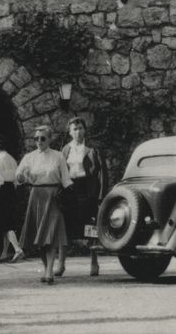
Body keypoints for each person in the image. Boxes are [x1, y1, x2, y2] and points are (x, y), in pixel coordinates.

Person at [15, 124, 71, 284]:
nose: (39, 141)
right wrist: (22, 176)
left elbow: (66, 179)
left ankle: (49, 271)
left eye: (42, 138)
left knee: (51, 235)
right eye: (36, 138)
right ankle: (47, 269)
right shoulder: (29, 157)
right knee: (40, 237)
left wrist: (72, 196)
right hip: (37, 196)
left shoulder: (58, 156)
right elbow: (18, 176)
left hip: (53, 196)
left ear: (50, 139)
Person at [58, 116, 108, 277]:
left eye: (80, 128)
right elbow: (60, 172)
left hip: (88, 190)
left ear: (85, 130)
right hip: (70, 191)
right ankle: (61, 264)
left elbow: (103, 174)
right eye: (75, 129)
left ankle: (94, 262)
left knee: (91, 228)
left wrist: (101, 196)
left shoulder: (93, 148)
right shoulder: (65, 150)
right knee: (65, 227)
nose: (78, 132)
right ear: (70, 132)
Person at [0, 136, 25, 263]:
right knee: (8, 222)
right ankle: (4, 253)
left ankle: (17, 249)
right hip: (11, 190)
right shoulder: (12, 160)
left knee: (6, 223)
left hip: (2, 190)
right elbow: (16, 179)